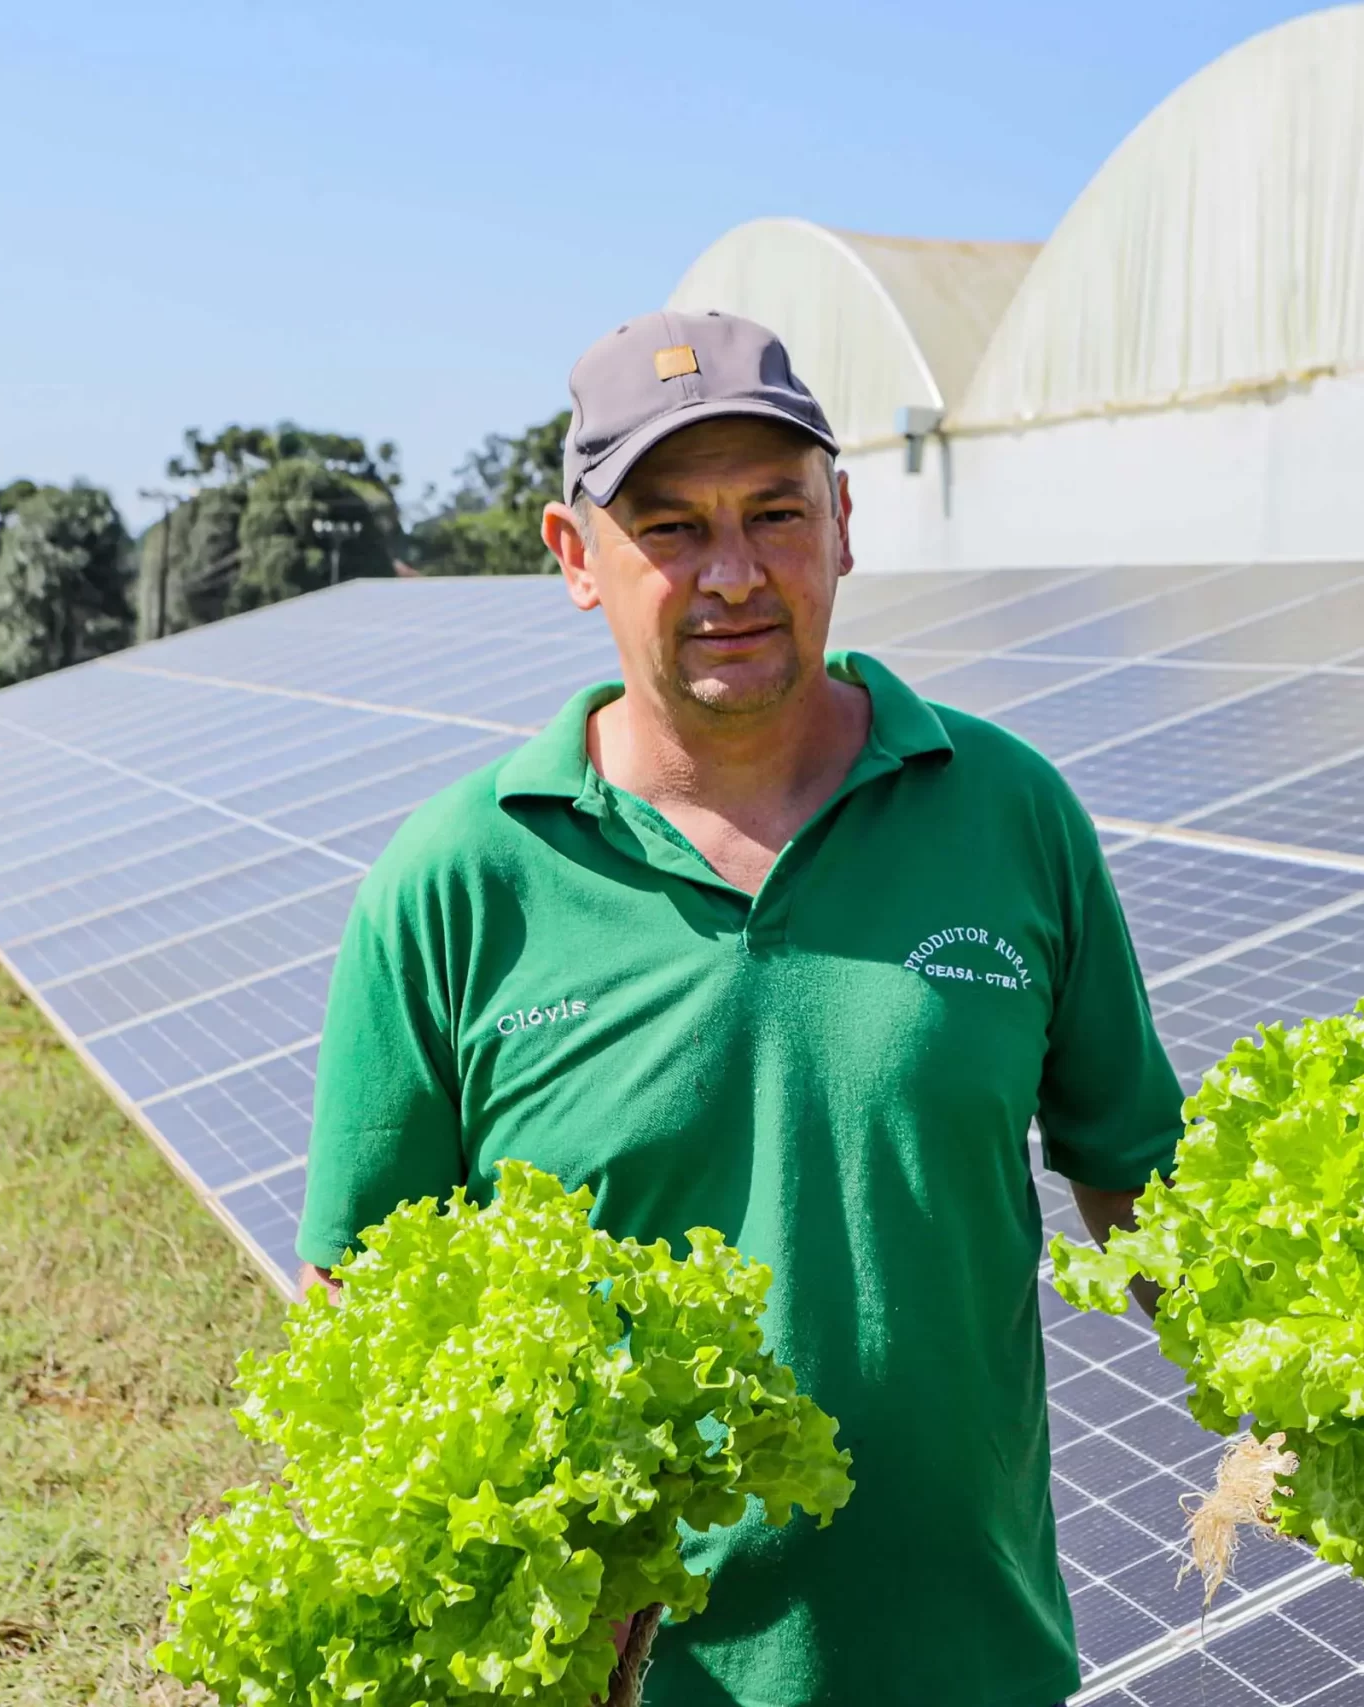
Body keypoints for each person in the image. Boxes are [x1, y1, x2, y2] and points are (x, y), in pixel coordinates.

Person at [294, 310, 1182, 1707]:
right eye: (669, 526)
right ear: (574, 556)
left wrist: (1319, 1355)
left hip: (976, 1665)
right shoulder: (459, 882)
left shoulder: (1010, 814)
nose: (732, 572)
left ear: (843, 521)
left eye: (775, 511)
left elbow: (1140, 1184)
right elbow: (357, 1325)